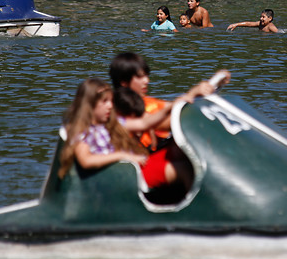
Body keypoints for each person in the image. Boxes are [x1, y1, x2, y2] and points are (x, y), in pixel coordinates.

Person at [57, 78, 195, 192]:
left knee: (178, 153)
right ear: (90, 105)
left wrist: (171, 107)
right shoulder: (82, 131)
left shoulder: (111, 123)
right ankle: (195, 210)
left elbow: (144, 124)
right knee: (182, 169)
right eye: (104, 102)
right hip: (118, 178)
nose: (110, 106)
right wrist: (123, 156)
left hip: (132, 169)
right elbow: (86, 161)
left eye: (111, 101)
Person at [109, 52, 229, 149]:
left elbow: (179, 107)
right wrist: (194, 92)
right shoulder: (120, 107)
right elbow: (165, 123)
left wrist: (212, 86)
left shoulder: (147, 101)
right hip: (142, 162)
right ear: (124, 82)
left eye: (146, 75)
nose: (147, 81)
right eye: (140, 77)